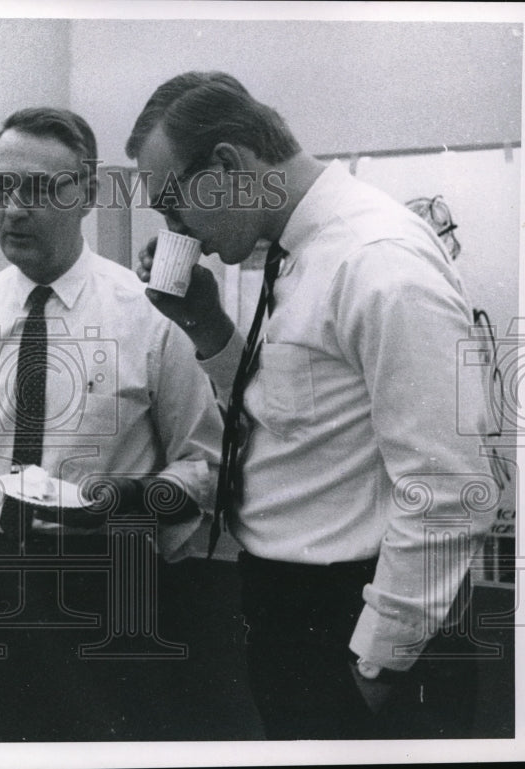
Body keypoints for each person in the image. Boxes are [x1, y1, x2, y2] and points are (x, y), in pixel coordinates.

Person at [126, 71, 496, 739]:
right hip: (297, 616)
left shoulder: (376, 260)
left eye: (174, 207)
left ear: (228, 166)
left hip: (355, 629)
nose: (179, 232)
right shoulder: (299, 253)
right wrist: (206, 324)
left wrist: (373, 668)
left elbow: (449, 489)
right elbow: (292, 423)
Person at [0, 107, 224, 740]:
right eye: (0, 187)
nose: (13, 209)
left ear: (87, 193)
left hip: (100, 586)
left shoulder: (149, 316)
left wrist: (120, 499)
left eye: (37, 189)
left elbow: (203, 467)